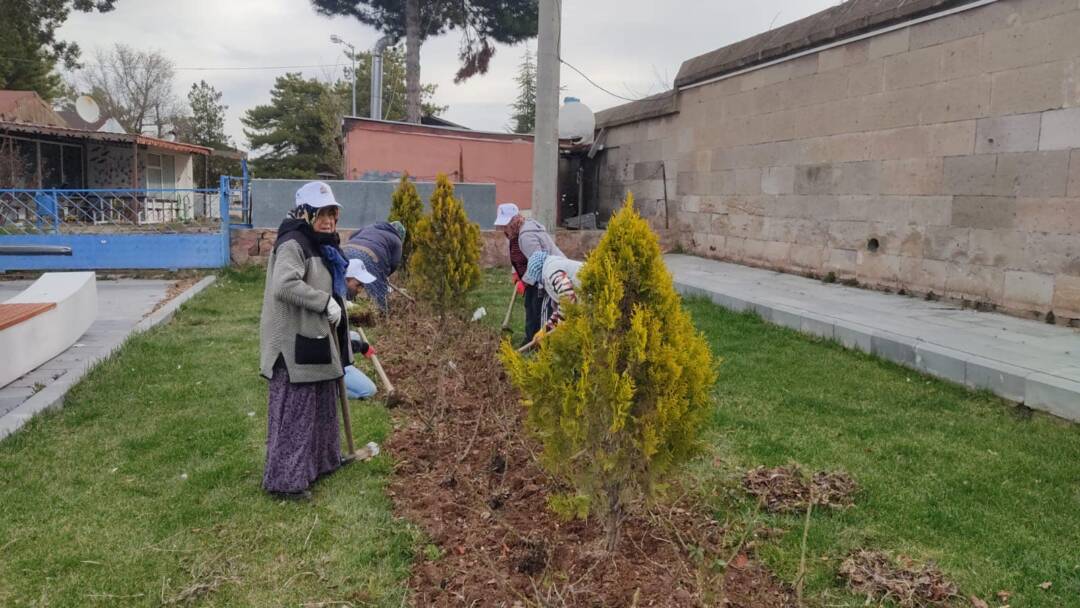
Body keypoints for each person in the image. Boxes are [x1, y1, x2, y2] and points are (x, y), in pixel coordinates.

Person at [259, 181, 353, 501]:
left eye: (332, 213)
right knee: (296, 413)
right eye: (322, 213)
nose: (328, 220)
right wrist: (323, 301)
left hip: (314, 336)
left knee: (323, 404)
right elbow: (284, 285)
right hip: (293, 343)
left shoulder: (320, 241)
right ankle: (285, 482)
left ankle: (321, 463)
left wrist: (338, 301)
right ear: (305, 212)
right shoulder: (293, 242)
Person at [493, 203, 564, 346]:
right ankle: (530, 338)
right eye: (502, 225)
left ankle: (541, 344)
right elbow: (518, 256)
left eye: (505, 224)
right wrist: (515, 273)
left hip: (547, 277)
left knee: (539, 309)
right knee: (529, 306)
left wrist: (524, 282)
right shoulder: (515, 233)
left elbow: (538, 263)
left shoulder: (526, 236)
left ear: (514, 220)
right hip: (535, 278)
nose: (503, 229)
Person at [341, 220, 405, 312]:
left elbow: (353, 234)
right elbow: (394, 262)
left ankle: (344, 304)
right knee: (378, 290)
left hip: (346, 249)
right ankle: (381, 313)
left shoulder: (371, 227)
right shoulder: (397, 239)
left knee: (344, 279)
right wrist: (384, 275)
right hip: (371, 256)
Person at [522, 251, 584, 335]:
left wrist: (562, 321)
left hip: (593, 295)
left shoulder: (550, 272)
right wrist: (546, 329)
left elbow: (567, 295)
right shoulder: (552, 265)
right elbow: (562, 303)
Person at [343, 259, 379, 400]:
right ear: (346, 280)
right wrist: (363, 347)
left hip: (331, 350)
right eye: (358, 285)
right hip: (327, 360)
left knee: (355, 335)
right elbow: (336, 343)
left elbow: (351, 307)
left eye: (362, 286)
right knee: (369, 391)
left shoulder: (342, 297)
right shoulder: (333, 304)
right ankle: (329, 390)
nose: (360, 290)